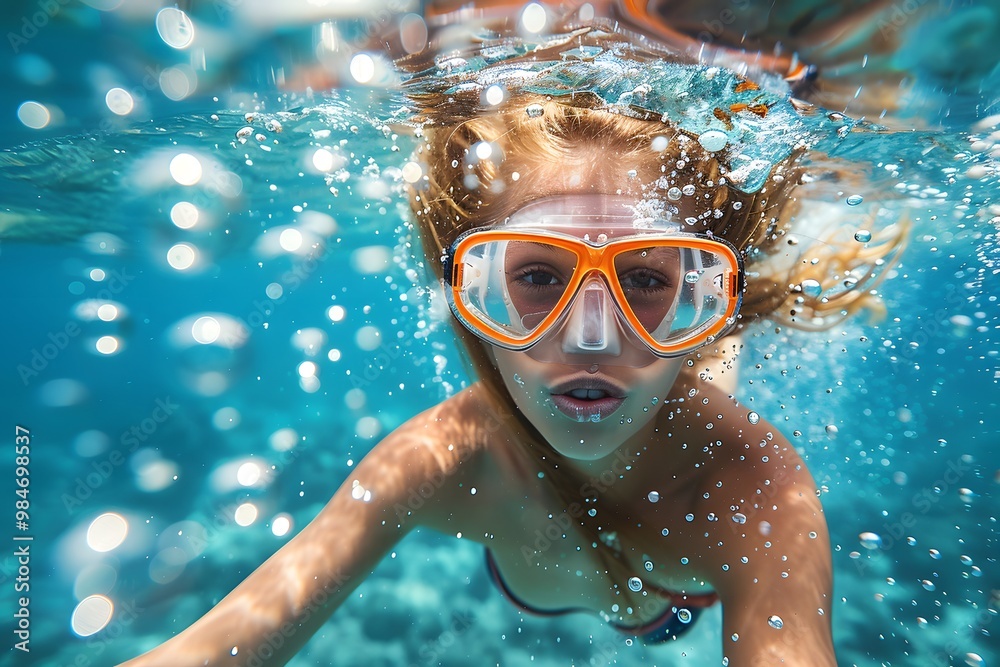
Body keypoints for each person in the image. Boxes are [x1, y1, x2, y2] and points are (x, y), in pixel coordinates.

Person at [121, 12, 906, 667]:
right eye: (535, 278)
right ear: (470, 292)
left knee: (705, 376)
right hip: (563, 554)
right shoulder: (438, 458)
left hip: (673, 595)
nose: (592, 339)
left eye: (645, 279)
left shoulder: (751, 486)